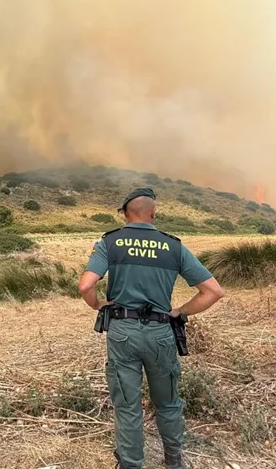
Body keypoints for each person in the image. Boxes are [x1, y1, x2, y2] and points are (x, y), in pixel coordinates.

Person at [78, 187, 225, 469]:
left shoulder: (110, 242)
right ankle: (174, 460)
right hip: (160, 334)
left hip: (122, 333)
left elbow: (85, 285)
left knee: (128, 406)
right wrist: (180, 311)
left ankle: (131, 464)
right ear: (154, 214)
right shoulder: (173, 246)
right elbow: (214, 292)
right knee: (168, 402)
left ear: (124, 215)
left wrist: (97, 304)